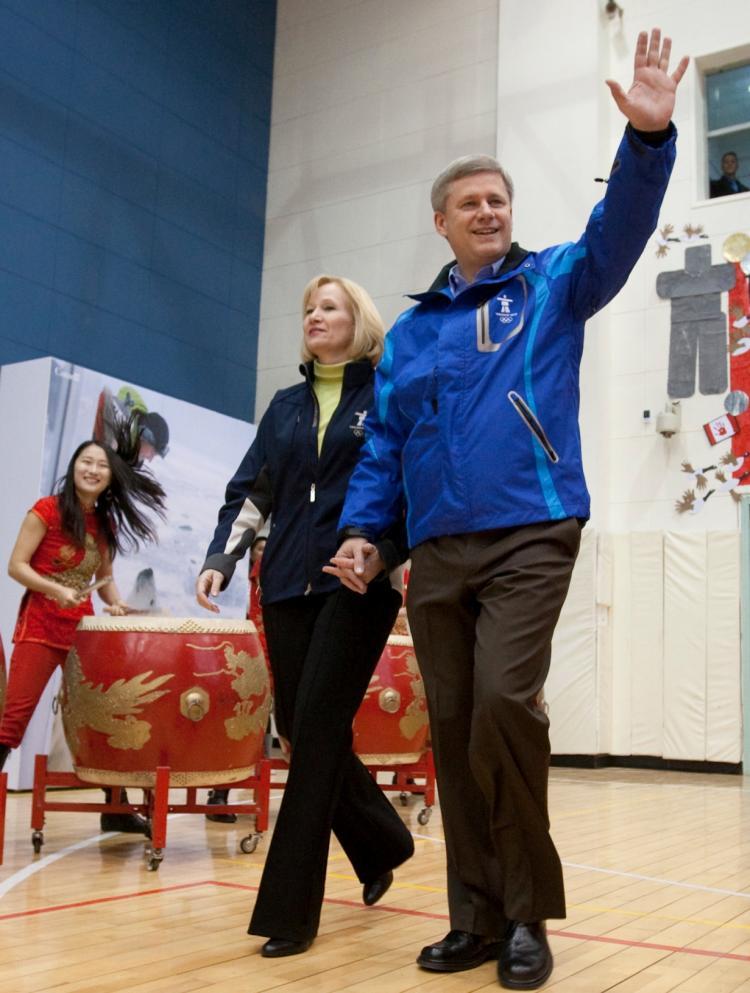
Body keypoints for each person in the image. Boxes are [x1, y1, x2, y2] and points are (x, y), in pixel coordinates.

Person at [327, 29, 688, 991]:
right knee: (452, 728)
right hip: (438, 550)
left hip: (533, 529)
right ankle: (475, 918)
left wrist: (647, 142)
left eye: (501, 200)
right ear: (440, 222)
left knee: (501, 708)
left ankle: (528, 915)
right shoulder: (407, 336)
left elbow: (620, 230)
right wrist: (366, 534)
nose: (490, 212)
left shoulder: (550, 283)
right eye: (471, 203)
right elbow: (387, 447)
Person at [195, 275, 414, 957]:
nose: (315, 316)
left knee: (317, 729)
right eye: (309, 308)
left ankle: (289, 910)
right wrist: (222, 558)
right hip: (285, 581)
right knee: (298, 725)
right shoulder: (285, 406)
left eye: (330, 306)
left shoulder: (386, 394)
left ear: (360, 320)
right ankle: (382, 840)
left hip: (357, 584)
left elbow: (409, 483)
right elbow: (252, 493)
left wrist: (383, 551)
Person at [0, 418, 166, 835]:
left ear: (110, 477)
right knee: (14, 718)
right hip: (40, 627)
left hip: (83, 634)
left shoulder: (104, 524)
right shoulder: (46, 511)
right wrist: (54, 590)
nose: (92, 470)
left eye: (101, 465)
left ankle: (116, 809)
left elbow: (104, 579)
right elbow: (16, 566)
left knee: (102, 718)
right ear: (74, 468)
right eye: (85, 462)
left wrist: (117, 606)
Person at [205, 530, 269, 824]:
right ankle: (219, 795)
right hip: (251, 657)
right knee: (238, 725)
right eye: (258, 549)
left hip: (284, 653)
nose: (262, 554)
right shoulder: (250, 579)